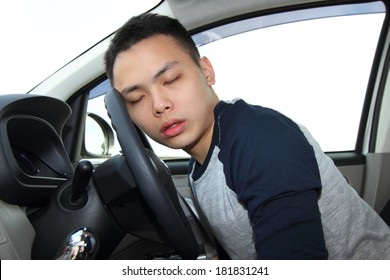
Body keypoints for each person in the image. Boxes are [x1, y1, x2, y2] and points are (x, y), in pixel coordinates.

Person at [104, 13, 390, 259]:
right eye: (137, 98)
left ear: (206, 71)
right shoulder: (200, 164)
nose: (158, 104)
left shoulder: (259, 139)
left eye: (171, 80)